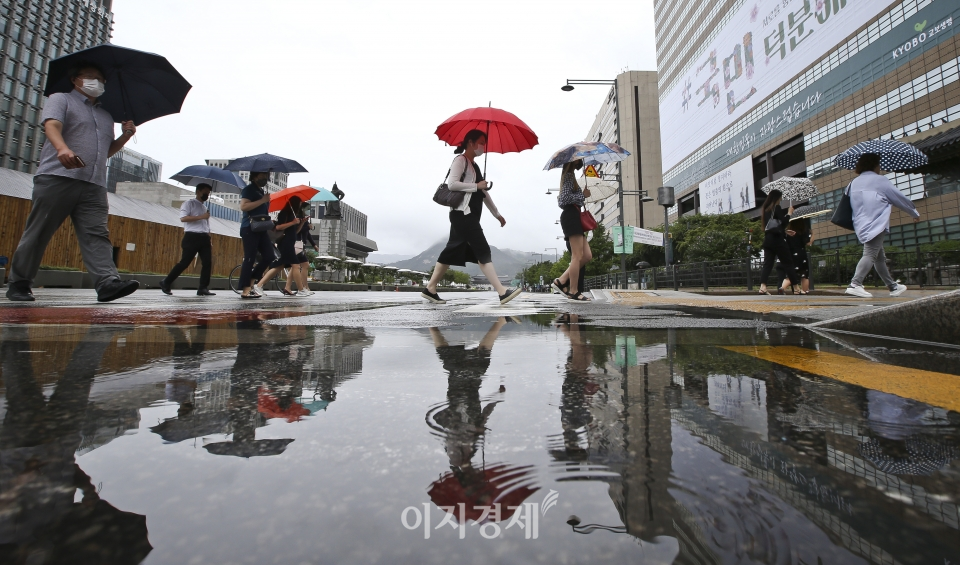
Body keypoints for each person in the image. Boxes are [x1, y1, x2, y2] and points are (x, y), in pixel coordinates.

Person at [6, 63, 139, 302]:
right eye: (90, 77)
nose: (96, 82)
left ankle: (107, 283)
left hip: (94, 184)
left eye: (100, 79)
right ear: (75, 79)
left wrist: (125, 135)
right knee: (39, 231)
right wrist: (62, 148)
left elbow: (106, 151)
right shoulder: (61, 99)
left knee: (97, 234)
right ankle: (20, 283)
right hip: (58, 177)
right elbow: (52, 125)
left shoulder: (105, 115)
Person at [421, 129, 521, 305]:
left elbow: (483, 193)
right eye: (481, 142)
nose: (483, 146)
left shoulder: (474, 166)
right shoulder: (460, 160)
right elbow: (452, 184)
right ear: (470, 142)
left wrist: (497, 214)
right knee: (482, 250)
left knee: (450, 251)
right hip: (463, 215)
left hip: (467, 215)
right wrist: (475, 185)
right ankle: (502, 292)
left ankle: (430, 288)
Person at [845, 153, 919, 298]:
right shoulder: (879, 181)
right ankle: (855, 284)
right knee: (870, 253)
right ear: (874, 165)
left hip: (860, 222)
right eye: (878, 164)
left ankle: (892, 286)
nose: (880, 167)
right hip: (875, 222)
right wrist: (913, 212)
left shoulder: (853, 183)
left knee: (879, 257)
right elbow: (898, 197)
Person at [159, 183, 216, 296]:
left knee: (207, 263)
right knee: (185, 262)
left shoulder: (204, 207)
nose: (207, 195)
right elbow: (183, 218)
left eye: (209, 193)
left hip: (204, 237)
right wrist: (202, 217)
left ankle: (203, 288)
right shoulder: (189, 203)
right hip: (192, 236)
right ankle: (166, 282)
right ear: (198, 192)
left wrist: (209, 237)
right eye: (205, 192)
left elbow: (205, 223)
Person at [551, 159, 593, 301]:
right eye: (578, 161)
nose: (580, 163)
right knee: (577, 256)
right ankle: (573, 291)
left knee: (586, 256)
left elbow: (568, 198)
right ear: (573, 162)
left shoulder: (571, 177)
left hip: (574, 216)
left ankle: (561, 280)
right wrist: (583, 195)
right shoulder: (568, 176)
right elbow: (563, 199)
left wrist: (582, 196)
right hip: (570, 216)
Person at [256, 197, 309, 297]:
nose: (301, 205)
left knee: (279, 266)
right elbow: (278, 227)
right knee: (296, 265)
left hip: (290, 242)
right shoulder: (284, 213)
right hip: (285, 243)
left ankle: (259, 286)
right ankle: (301, 289)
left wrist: (301, 223)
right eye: (300, 203)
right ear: (295, 203)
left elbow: (295, 232)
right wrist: (293, 222)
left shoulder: (293, 215)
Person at [238, 171, 274, 299]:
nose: (265, 178)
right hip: (250, 227)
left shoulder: (261, 191)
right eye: (262, 175)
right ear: (254, 176)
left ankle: (252, 279)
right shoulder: (249, 189)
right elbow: (244, 206)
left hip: (261, 228)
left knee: (269, 256)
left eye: (266, 175)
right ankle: (245, 288)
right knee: (250, 258)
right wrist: (262, 200)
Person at [758, 189, 801, 295]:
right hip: (778, 241)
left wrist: (785, 232)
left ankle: (762, 287)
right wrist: (789, 213)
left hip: (768, 240)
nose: (781, 199)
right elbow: (783, 222)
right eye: (780, 197)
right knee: (788, 263)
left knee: (767, 264)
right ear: (777, 198)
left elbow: (773, 226)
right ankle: (796, 288)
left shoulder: (766, 209)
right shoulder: (776, 208)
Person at [283, 203, 318, 296]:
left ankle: (288, 287)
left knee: (295, 266)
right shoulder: (298, 217)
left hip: (300, 244)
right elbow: (296, 230)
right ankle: (304, 288)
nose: (309, 210)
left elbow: (307, 234)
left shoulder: (304, 218)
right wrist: (306, 226)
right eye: (307, 208)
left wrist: (314, 244)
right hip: (296, 244)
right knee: (305, 265)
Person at [784, 217, 813, 293]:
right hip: (801, 254)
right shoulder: (803, 231)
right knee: (804, 275)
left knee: (791, 274)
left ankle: (782, 288)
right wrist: (813, 235)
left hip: (791, 254)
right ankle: (804, 291)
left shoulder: (788, 231)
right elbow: (808, 243)